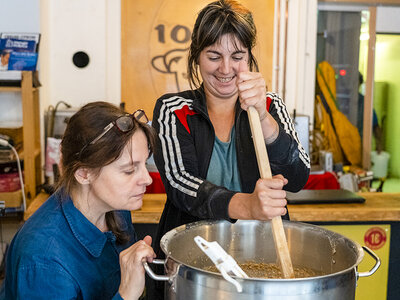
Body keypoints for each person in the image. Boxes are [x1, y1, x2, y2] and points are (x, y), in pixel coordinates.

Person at [150, 0, 310, 298]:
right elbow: (180, 184)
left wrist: (262, 117)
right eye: (214, 56)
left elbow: (298, 176)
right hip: (191, 264)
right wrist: (248, 206)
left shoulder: (271, 105)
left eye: (237, 56)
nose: (226, 69)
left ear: (249, 57)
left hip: (264, 260)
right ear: (197, 57)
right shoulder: (173, 109)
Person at [2, 102, 156, 299]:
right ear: (83, 174)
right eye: (129, 170)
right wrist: (126, 294)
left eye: (144, 164)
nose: (147, 179)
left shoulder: (115, 208)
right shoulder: (44, 261)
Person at [357, 72, 383, 153]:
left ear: (360, 84)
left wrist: (379, 144)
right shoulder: (341, 100)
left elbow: (375, 126)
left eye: (356, 82)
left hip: (359, 147)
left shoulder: (365, 103)